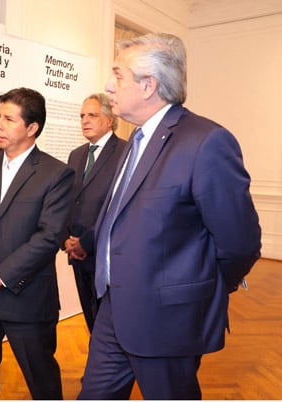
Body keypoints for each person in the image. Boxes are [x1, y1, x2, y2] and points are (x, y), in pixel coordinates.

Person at [78, 33, 261, 400]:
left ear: (149, 85)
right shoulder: (136, 140)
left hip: (166, 318)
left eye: (118, 75)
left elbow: (240, 242)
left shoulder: (205, 141)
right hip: (113, 308)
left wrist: (196, 287)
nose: (108, 85)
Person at [0, 87, 74, 399]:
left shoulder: (56, 174)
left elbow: (49, 237)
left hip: (27, 298)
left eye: (9, 119)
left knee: (42, 383)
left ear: (32, 128)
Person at [63, 93, 126, 335]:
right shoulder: (76, 154)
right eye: (82, 116)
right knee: (90, 319)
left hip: (105, 253)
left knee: (109, 322)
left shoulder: (125, 152)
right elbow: (68, 200)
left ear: (110, 120)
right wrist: (66, 240)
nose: (85, 120)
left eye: (92, 115)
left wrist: (86, 242)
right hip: (77, 254)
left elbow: (119, 207)